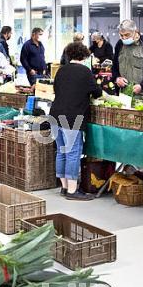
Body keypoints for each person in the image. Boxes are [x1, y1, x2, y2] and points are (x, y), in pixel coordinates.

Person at [50, 42, 103, 201]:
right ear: (85, 56)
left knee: (61, 151)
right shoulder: (85, 72)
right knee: (73, 153)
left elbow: (57, 90)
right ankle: (73, 191)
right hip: (73, 117)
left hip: (55, 114)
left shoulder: (60, 71)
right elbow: (97, 92)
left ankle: (65, 187)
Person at [112, 19, 143, 97]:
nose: (124, 38)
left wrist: (142, 86)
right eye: (121, 35)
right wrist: (117, 78)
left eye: (127, 35)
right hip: (123, 95)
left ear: (135, 32)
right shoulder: (119, 44)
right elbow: (114, 67)